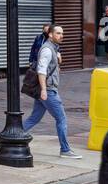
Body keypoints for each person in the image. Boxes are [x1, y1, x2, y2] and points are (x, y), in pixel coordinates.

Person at [23, 24, 82, 158]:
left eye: (62, 33)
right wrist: (44, 90)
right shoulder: (47, 50)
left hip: (45, 90)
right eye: (58, 33)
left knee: (34, 118)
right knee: (61, 119)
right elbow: (41, 70)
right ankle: (65, 150)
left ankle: (16, 135)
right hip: (48, 91)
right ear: (50, 34)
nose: (61, 36)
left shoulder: (53, 48)